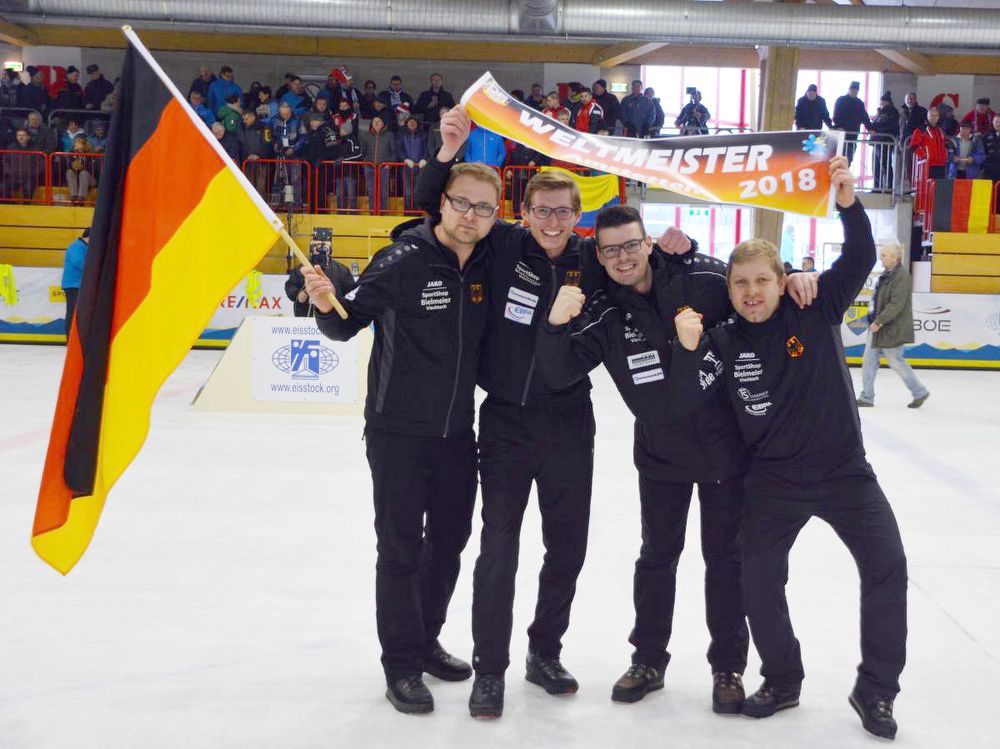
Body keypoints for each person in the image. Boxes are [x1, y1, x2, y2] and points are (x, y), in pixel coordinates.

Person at [673, 156, 907, 741]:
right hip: (773, 482)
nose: (752, 292)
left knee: (887, 568)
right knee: (756, 579)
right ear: (730, 289)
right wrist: (686, 347)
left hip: (844, 474)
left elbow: (859, 255)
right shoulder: (723, 340)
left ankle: (876, 690)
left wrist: (848, 203)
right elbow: (685, 395)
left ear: (783, 282)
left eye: (762, 281)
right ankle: (781, 679)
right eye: (741, 283)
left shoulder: (816, 306)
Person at [415, 109, 600, 720]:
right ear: (523, 213)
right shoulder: (502, 246)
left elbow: (649, 270)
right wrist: (446, 151)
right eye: (542, 211)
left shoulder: (592, 261)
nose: (552, 222)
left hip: (570, 422)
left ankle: (544, 653)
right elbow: (432, 209)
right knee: (498, 546)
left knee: (567, 547)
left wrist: (685, 247)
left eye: (563, 213)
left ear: (577, 216)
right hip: (506, 423)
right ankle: (489, 669)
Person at [302, 161, 500, 715]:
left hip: (457, 432)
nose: (471, 215)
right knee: (400, 549)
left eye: (483, 207)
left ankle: (425, 639)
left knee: (451, 540)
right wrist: (324, 302)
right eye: (462, 202)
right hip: (397, 434)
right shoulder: (402, 259)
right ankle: (401, 664)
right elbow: (345, 323)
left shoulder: (486, 261)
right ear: (443, 202)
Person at [857, 243, 929, 409]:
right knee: (868, 361)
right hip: (878, 327)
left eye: (884, 255)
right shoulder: (887, 274)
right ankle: (867, 397)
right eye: (882, 254)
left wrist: (879, 321)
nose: (881, 257)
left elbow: (896, 304)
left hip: (892, 329)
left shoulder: (902, 276)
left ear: (895, 258)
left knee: (896, 362)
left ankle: (919, 392)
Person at [360, 114, 395, 212]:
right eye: (374, 121)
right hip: (369, 167)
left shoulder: (389, 135)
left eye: (379, 121)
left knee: (383, 192)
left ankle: (383, 212)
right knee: (371, 192)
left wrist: (389, 165)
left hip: (384, 167)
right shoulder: (366, 135)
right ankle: (373, 212)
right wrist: (365, 164)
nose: (376, 123)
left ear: (383, 123)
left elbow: (394, 152)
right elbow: (362, 152)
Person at [833, 81, 871, 165]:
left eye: (856, 90)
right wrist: (838, 127)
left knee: (848, 160)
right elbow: (835, 116)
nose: (855, 92)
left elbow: (865, 117)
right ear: (849, 89)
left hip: (852, 136)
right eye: (853, 90)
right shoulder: (841, 100)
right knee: (839, 159)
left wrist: (870, 128)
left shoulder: (859, 103)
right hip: (841, 135)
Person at [870, 92, 900, 192]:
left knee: (884, 165)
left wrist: (875, 129)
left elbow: (887, 125)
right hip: (879, 142)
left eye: (882, 102)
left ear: (887, 102)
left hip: (885, 141)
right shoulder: (882, 113)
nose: (881, 104)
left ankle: (886, 187)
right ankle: (879, 187)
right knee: (877, 166)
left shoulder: (892, 112)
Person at [61, 228, 89, 334]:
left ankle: (75, 335)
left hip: (79, 284)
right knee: (73, 311)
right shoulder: (77, 246)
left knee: (77, 312)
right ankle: (70, 336)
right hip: (73, 285)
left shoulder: (83, 246)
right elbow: (79, 262)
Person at [909, 107, 948, 179]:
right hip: (927, 164)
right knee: (927, 185)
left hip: (941, 164)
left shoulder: (941, 131)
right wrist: (925, 155)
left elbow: (945, 145)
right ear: (927, 116)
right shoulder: (920, 130)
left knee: (940, 185)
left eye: (936, 115)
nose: (934, 118)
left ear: (938, 117)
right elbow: (913, 146)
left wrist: (945, 156)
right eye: (931, 115)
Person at [899, 92, 928, 190]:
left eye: (911, 99)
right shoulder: (901, 111)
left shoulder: (922, 111)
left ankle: (916, 187)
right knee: (907, 167)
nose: (909, 101)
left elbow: (925, 126)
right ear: (905, 100)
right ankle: (909, 187)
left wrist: (916, 132)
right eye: (908, 99)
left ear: (915, 100)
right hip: (904, 143)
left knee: (916, 166)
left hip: (916, 144)